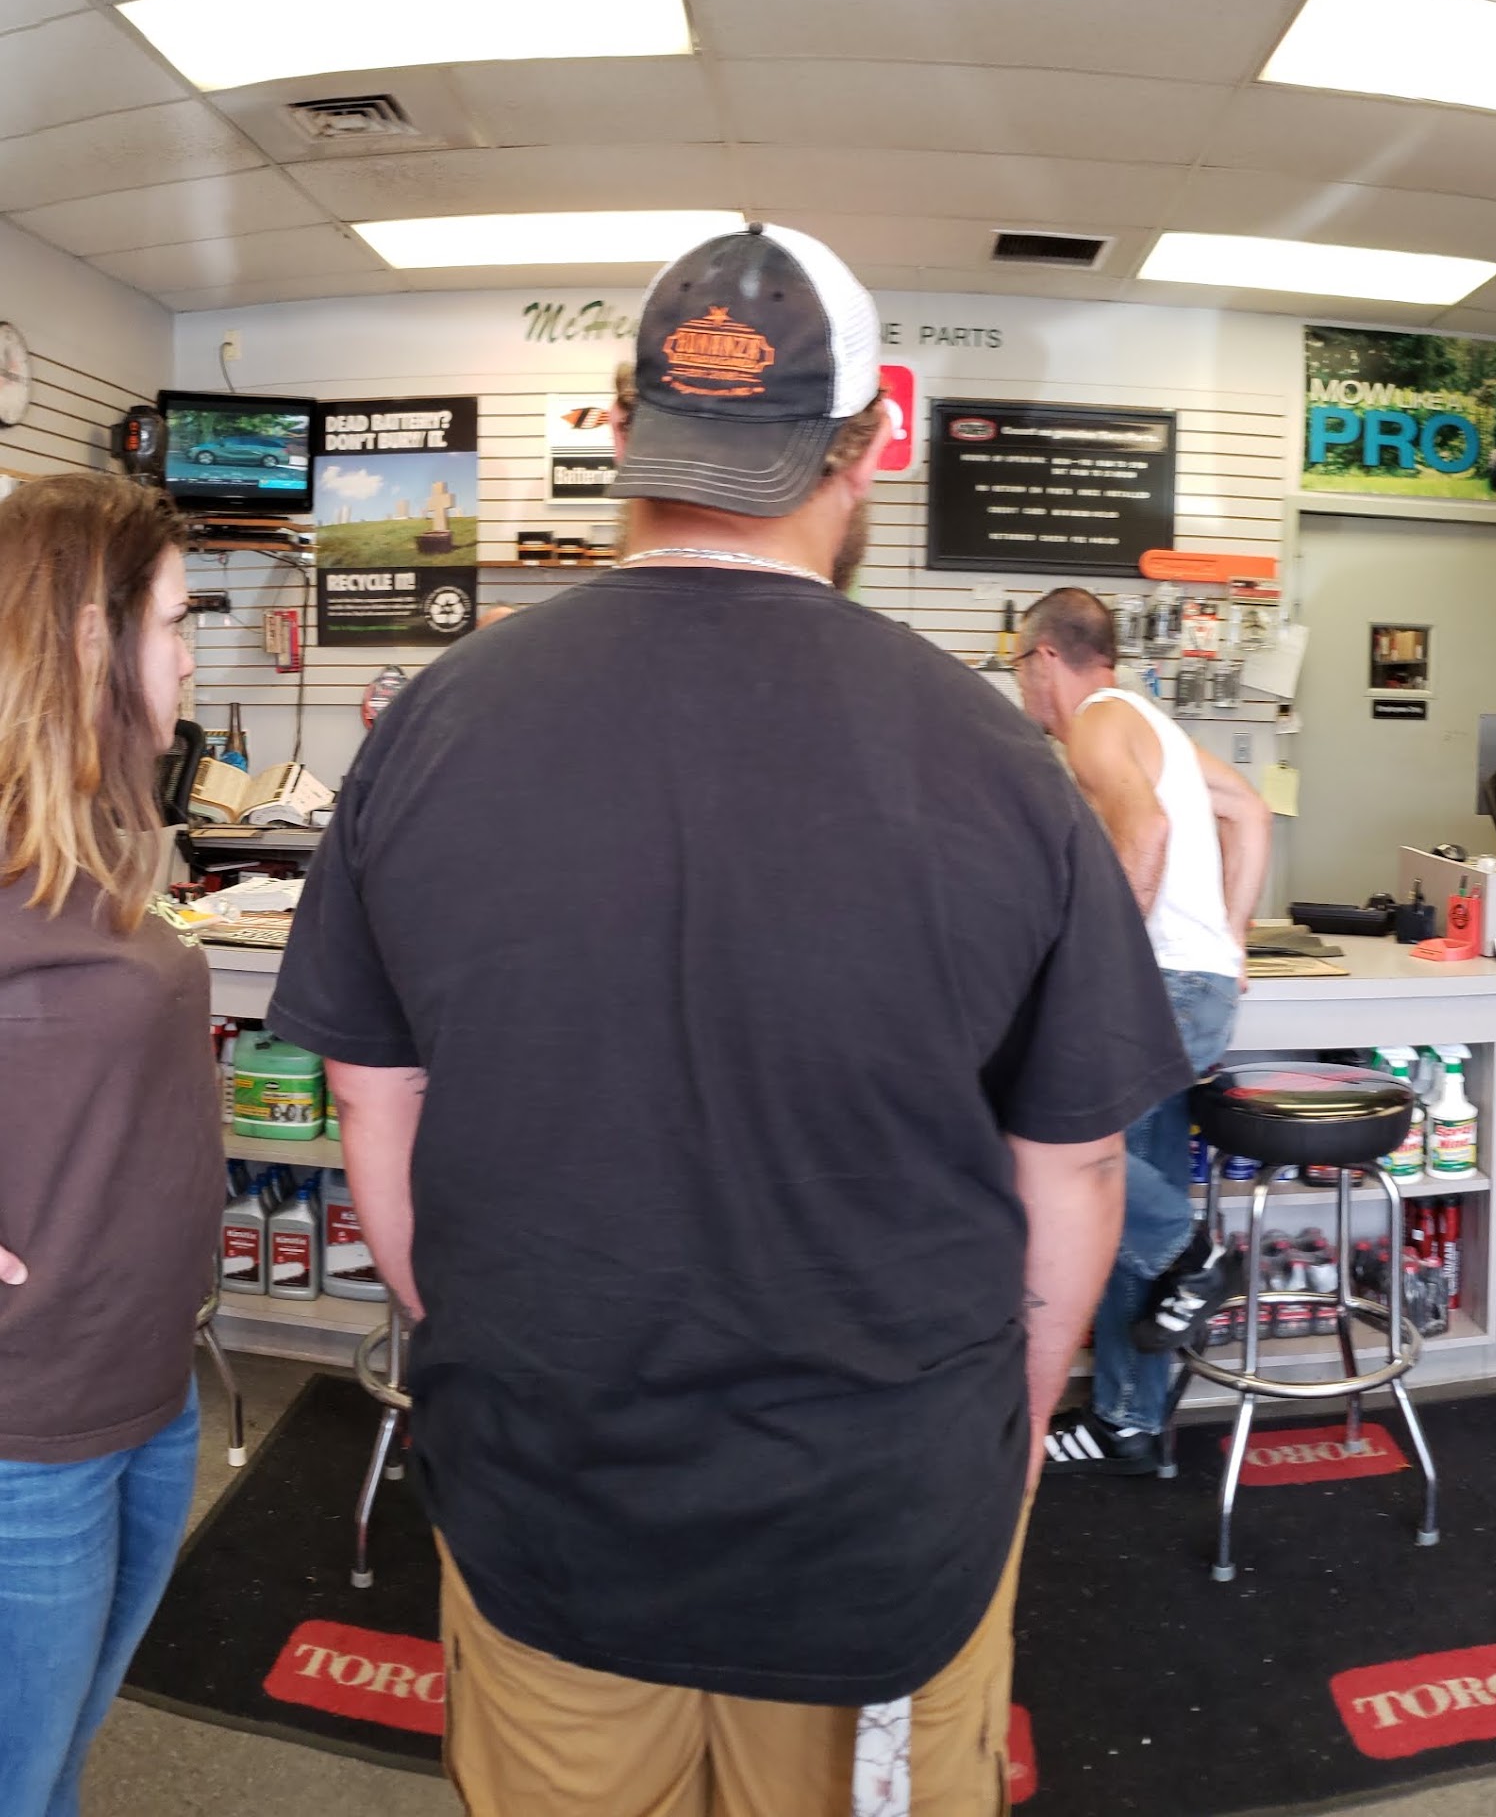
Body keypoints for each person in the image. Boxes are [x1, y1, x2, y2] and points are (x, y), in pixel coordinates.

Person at [268, 223, 1187, 1816]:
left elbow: (373, 1105)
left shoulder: (435, 721)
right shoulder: (994, 759)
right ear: (866, 451)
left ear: (627, 431)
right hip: (882, 1523)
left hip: (547, 1492)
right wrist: (1009, 1432)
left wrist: (491, 1348)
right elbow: (1077, 1167)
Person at [0, 472, 215, 1817]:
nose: (190, 656)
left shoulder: (82, 845)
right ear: (91, 635)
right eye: (176, 622)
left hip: (144, 1383)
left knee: (56, 1762)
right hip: (26, 1426)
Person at [1011, 589, 1273, 1476]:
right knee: (1128, 1189)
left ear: (1046, 658)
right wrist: (1231, 939)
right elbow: (1250, 812)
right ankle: (1128, 1420)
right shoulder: (1149, 723)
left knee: (1067, 1159)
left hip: (1158, 988)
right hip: (1194, 987)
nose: (1021, 688)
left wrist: (1094, 970)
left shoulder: (1095, 724)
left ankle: (1195, 1258)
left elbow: (1147, 832)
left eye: (1018, 667)